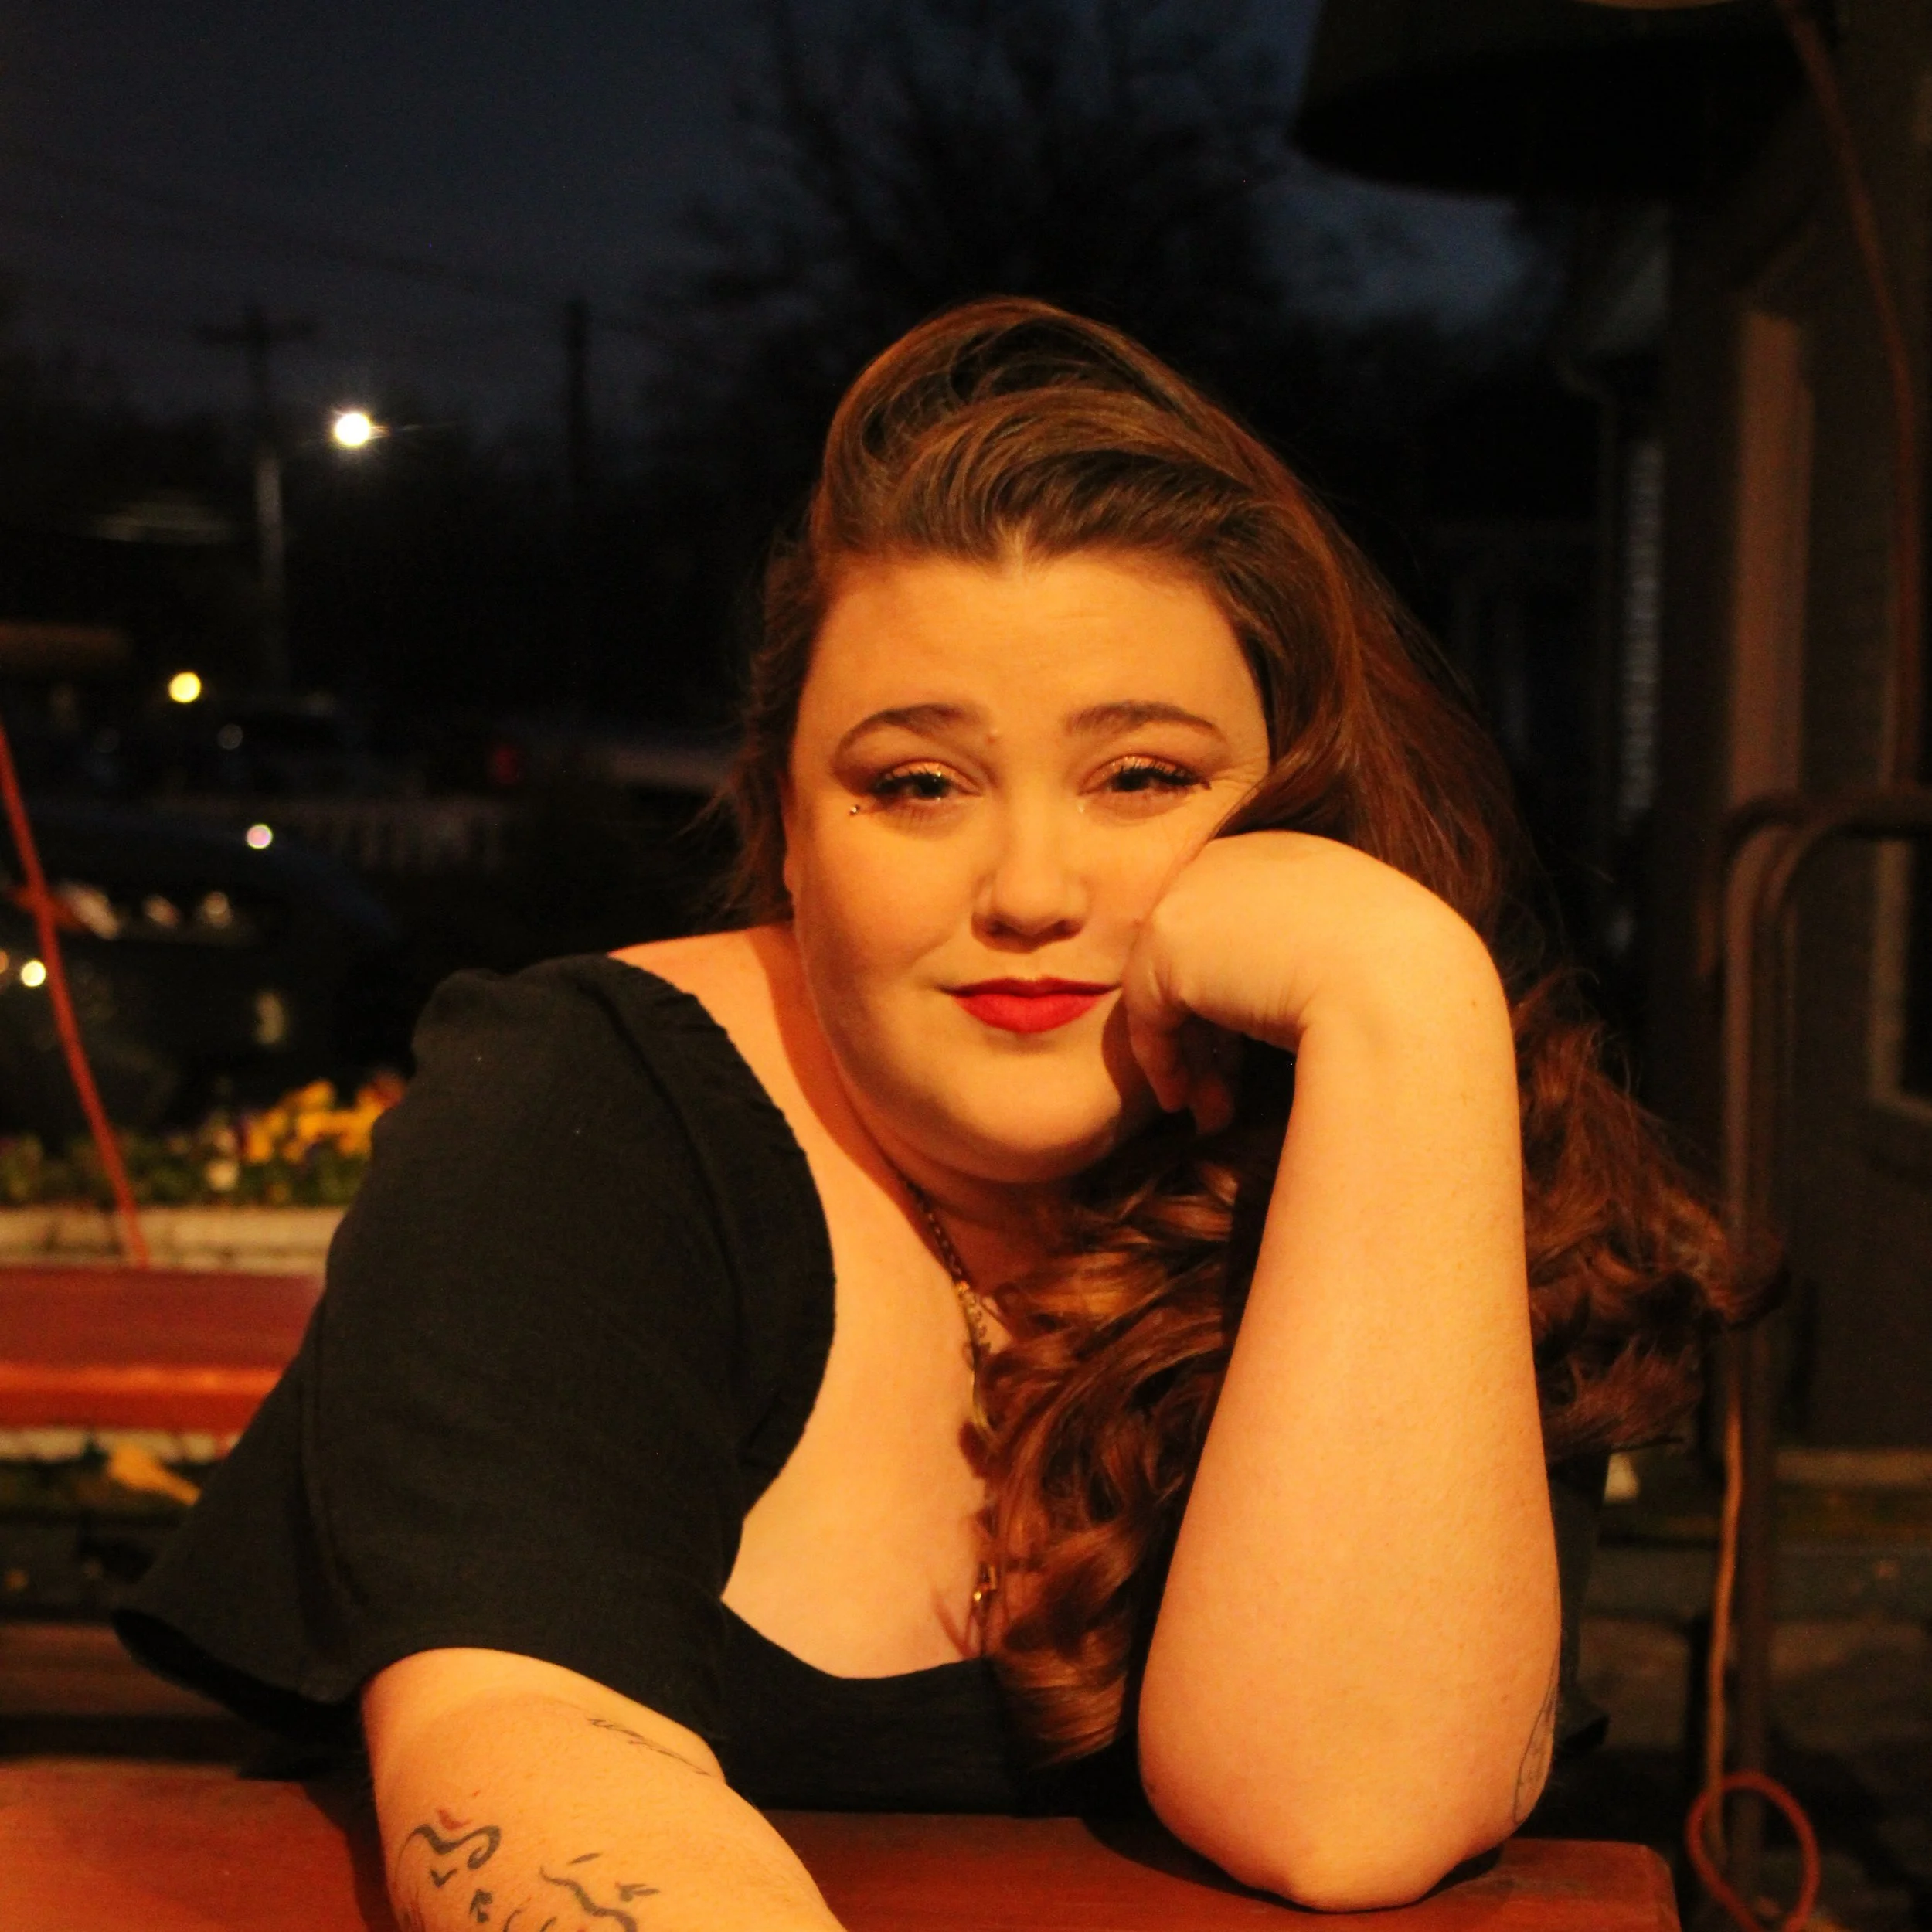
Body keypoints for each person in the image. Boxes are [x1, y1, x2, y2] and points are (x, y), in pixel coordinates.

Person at [120, 299, 1746, 1923]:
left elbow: (1342, 1812)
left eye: (1143, 777)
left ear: (1299, 806)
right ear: (790, 825)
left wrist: (1400, 995)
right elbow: (526, 1755)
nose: (1030, 889)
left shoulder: (1411, 1113)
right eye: (916, 783)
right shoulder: (582, 1109)